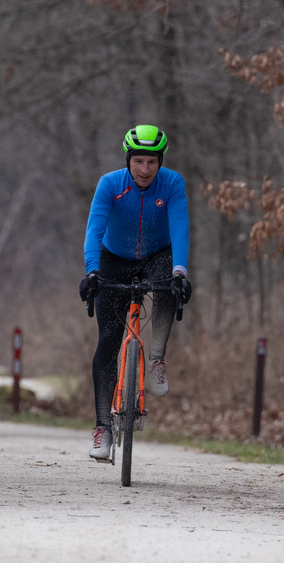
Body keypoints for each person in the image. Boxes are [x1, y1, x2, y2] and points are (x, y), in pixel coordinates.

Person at [80, 124, 191, 462]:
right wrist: (92, 272)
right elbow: (94, 230)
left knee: (168, 281)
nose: (145, 170)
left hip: (158, 254)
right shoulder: (110, 184)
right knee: (109, 339)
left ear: (161, 162)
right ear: (128, 159)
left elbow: (180, 228)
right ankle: (102, 427)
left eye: (152, 162)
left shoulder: (172, 183)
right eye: (139, 161)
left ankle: (156, 358)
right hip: (114, 258)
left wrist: (180, 273)